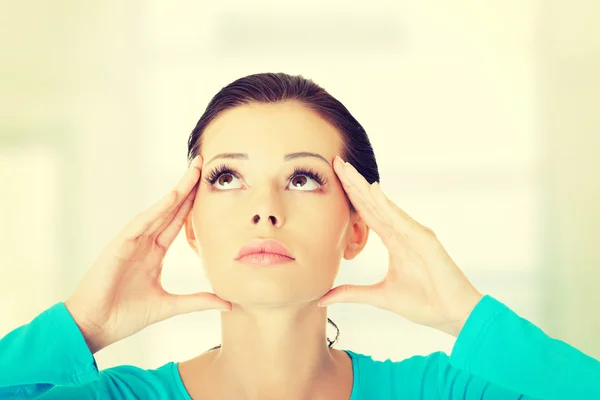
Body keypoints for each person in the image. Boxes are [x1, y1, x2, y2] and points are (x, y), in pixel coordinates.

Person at [1, 73, 599, 400]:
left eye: (304, 177)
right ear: (188, 225)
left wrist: (466, 318)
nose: (265, 209)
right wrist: (81, 325)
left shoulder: (442, 392)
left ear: (358, 229)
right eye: (228, 177)